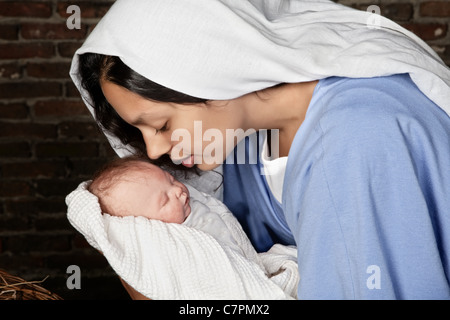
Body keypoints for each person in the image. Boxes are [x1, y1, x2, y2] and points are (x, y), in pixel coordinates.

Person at [70, 0, 450, 299]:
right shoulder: (241, 146)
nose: (153, 151)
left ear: (204, 72)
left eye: (162, 125)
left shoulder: (360, 140)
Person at [73, 155, 298, 300]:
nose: (179, 191)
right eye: (164, 200)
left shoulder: (192, 206)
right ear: (145, 225)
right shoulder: (170, 244)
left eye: (171, 180)